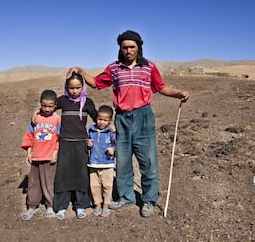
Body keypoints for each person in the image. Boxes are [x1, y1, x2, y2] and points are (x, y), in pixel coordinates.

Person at [67, 30, 189, 217]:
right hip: (122, 118)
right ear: (120, 49)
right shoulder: (114, 69)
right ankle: (126, 197)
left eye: (132, 46)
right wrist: (81, 71)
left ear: (139, 47)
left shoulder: (149, 67)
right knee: (122, 161)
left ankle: (148, 200)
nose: (128, 50)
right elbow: (96, 83)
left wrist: (178, 93)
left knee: (148, 161)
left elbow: (161, 87)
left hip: (143, 116)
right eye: (125, 47)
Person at [53, 72, 97, 220]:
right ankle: (61, 206)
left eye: (78, 87)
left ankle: (81, 205)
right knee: (63, 174)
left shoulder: (88, 102)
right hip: (65, 143)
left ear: (82, 87)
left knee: (81, 174)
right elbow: (48, 109)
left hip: (81, 144)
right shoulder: (63, 101)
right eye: (71, 87)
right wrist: (36, 112)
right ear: (67, 87)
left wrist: (109, 126)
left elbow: (98, 119)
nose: (75, 91)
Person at [20, 89, 61, 221]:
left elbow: (59, 138)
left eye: (50, 106)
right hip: (36, 156)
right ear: (40, 104)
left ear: (55, 105)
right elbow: (29, 135)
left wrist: (56, 152)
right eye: (44, 106)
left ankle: (50, 205)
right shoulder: (35, 118)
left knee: (49, 182)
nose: (47, 109)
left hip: (50, 157)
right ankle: (32, 205)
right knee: (33, 182)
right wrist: (29, 151)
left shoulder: (57, 119)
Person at [87, 105, 116, 218]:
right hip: (93, 163)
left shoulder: (111, 132)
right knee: (94, 185)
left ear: (110, 121)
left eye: (105, 120)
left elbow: (116, 143)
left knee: (107, 185)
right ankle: (97, 204)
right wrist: (88, 144)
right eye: (99, 119)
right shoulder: (91, 130)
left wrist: (113, 149)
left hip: (107, 163)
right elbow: (88, 142)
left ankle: (106, 205)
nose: (102, 122)